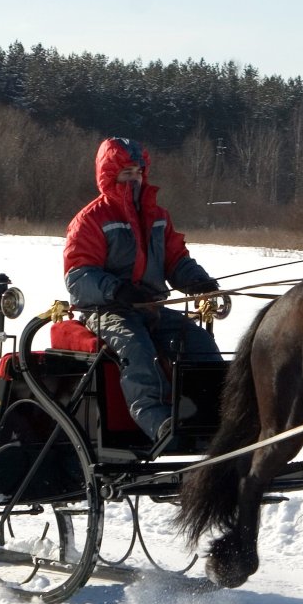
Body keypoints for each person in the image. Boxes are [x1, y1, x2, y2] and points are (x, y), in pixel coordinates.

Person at [63, 136, 222, 441]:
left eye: (137, 172)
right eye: (126, 173)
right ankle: (160, 425)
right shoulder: (90, 220)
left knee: (199, 341)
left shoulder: (158, 217)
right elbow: (78, 275)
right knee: (138, 350)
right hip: (106, 311)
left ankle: (210, 421)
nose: (134, 178)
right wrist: (117, 290)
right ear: (109, 176)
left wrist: (197, 280)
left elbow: (176, 260)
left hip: (152, 309)